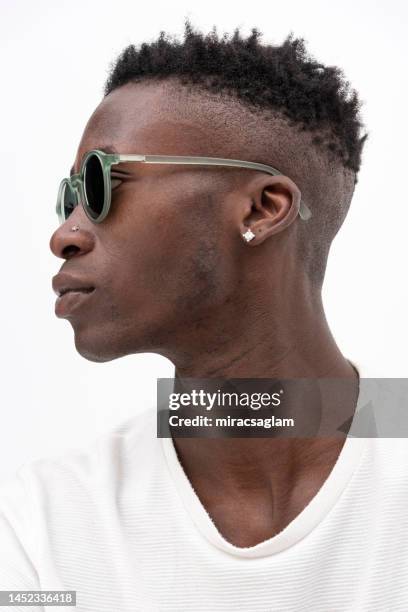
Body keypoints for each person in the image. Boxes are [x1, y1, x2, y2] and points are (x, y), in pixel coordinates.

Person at [1, 21, 406, 611]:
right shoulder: (39, 526)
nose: (65, 234)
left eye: (99, 182)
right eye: (69, 199)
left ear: (263, 209)